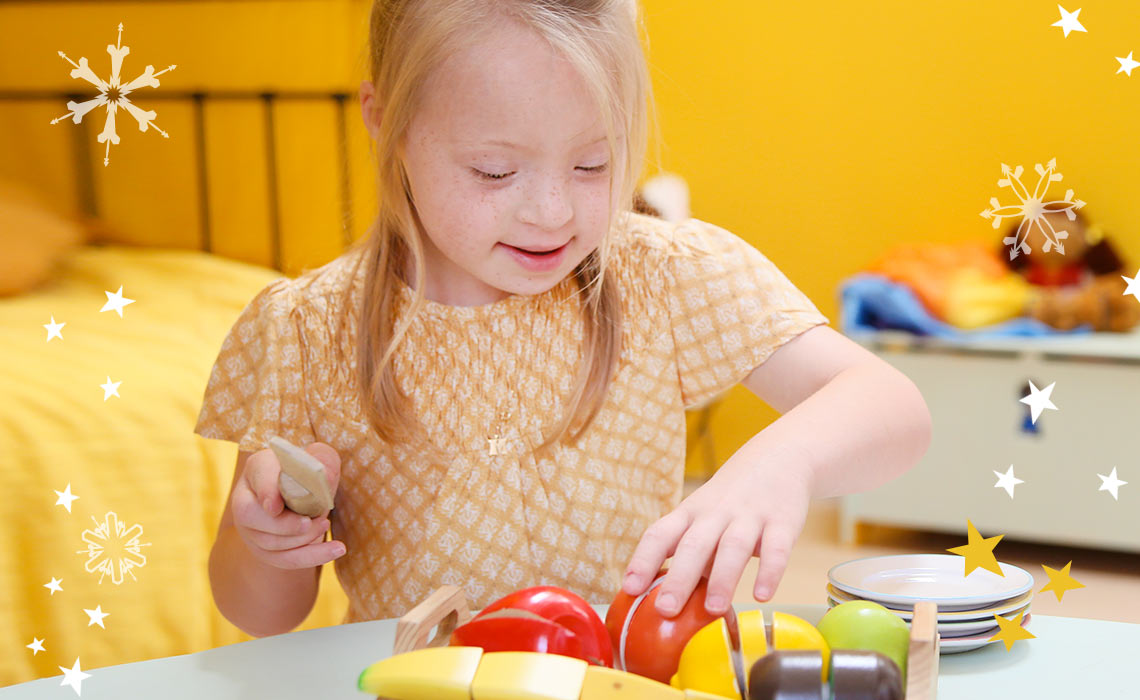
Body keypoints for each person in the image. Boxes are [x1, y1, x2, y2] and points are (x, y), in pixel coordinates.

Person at [196, 0, 931, 638]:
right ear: (386, 121)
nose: (552, 213)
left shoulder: (660, 275)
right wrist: (264, 541)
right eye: (494, 170)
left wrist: (783, 463)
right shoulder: (305, 330)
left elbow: (893, 409)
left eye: (593, 164)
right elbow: (261, 616)